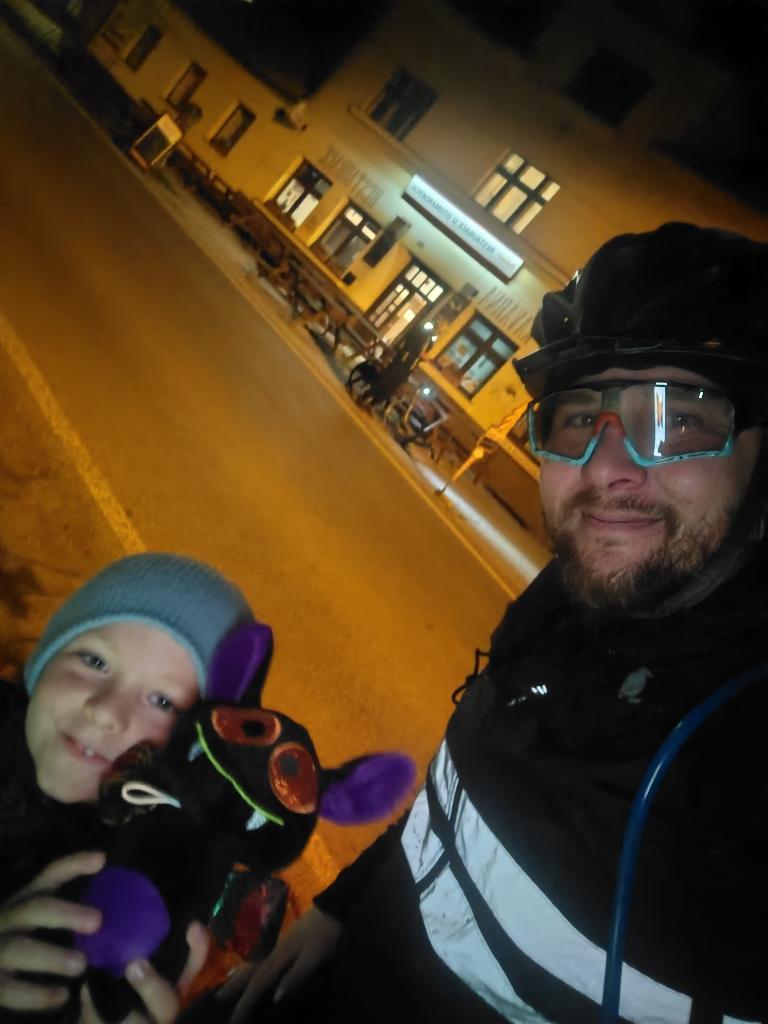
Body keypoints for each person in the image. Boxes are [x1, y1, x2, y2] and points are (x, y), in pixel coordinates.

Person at [223, 222, 768, 1024]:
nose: (607, 468)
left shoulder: (745, 756)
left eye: (678, 419)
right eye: (578, 417)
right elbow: (459, 792)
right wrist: (339, 905)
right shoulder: (567, 600)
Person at [0, 552, 256, 1023]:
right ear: (45, 658)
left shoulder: (162, 891)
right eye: (94, 660)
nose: (105, 711)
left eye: (163, 701)